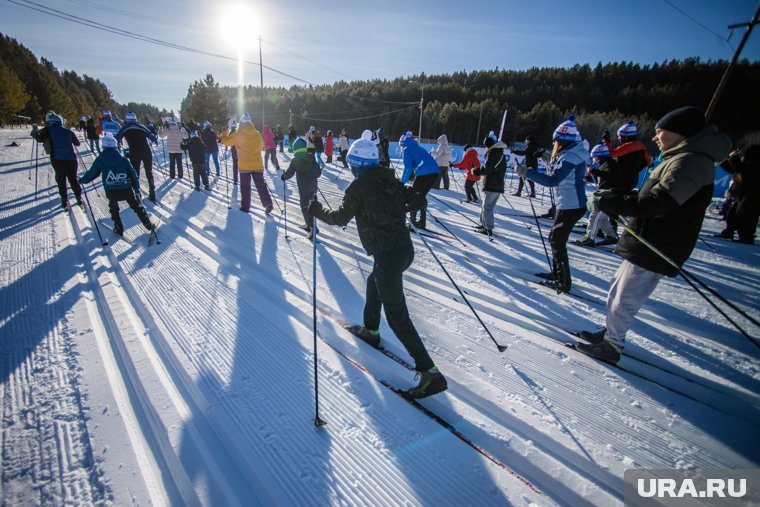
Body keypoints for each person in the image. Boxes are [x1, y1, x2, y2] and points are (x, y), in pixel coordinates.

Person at [577, 106, 731, 363]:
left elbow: (657, 203)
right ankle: (610, 333)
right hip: (648, 236)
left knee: (626, 295)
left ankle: (612, 345)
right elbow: (647, 197)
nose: (655, 137)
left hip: (659, 240)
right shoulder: (680, 158)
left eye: (661, 132)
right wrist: (615, 198)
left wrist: (613, 203)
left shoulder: (690, 162)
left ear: (679, 134)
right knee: (618, 289)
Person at [307, 130, 447, 399]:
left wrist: (315, 210)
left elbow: (338, 218)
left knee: (398, 317)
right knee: (374, 281)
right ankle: (370, 330)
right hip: (404, 250)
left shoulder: (357, 187)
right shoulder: (389, 179)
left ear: (356, 165)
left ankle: (430, 373)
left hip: (388, 255)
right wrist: (407, 200)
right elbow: (415, 199)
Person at [516, 115, 588, 293]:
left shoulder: (570, 156)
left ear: (562, 141)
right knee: (554, 239)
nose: (554, 144)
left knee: (557, 240)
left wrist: (527, 172)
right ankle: (557, 274)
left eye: (555, 141)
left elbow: (553, 180)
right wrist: (546, 157)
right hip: (566, 203)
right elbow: (557, 168)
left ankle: (563, 281)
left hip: (571, 205)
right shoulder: (569, 153)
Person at [78, 133, 154, 236]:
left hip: (111, 190)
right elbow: (133, 174)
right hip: (126, 189)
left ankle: (119, 228)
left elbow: (92, 173)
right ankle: (148, 224)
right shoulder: (123, 160)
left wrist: (82, 180)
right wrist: (136, 188)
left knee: (114, 208)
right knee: (136, 206)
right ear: (115, 146)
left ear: (103, 146)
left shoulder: (100, 160)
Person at [221, 112, 272, 213]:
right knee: (261, 185)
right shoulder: (257, 134)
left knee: (245, 186)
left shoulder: (238, 134)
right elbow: (262, 146)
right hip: (257, 164)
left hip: (245, 166)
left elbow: (226, 142)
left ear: (241, 122)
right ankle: (268, 203)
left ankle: (245, 207)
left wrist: (225, 133)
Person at [31, 112, 83, 209]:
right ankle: (79, 198)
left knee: (61, 179)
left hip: (57, 158)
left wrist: (34, 131)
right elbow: (77, 143)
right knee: (73, 178)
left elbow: (39, 138)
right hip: (71, 158)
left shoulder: (48, 130)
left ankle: (64, 200)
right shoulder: (69, 131)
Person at [575, 143, 619, 246]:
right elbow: (603, 178)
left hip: (609, 196)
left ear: (600, 156)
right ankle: (611, 236)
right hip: (606, 195)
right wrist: (589, 178)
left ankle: (590, 237)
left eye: (595, 157)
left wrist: (594, 172)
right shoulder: (606, 164)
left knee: (594, 216)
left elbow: (609, 176)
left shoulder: (610, 165)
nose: (594, 159)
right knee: (602, 217)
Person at [715, 145, 760, 244]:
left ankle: (746, 237)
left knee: (746, 215)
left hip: (753, 195)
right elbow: (734, 169)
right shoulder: (746, 164)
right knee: (732, 213)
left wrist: (733, 158)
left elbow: (740, 169)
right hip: (744, 193)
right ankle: (728, 231)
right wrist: (724, 160)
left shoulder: (754, 165)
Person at [281, 137, 321, 237]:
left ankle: (312, 228)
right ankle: (310, 225)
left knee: (304, 207)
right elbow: (318, 173)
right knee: (312, 206)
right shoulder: (311, 158)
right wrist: (313, 175)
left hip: (304, 189)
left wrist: (284, 177)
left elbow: (290, 173)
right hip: (313, 187)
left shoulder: (295, 161)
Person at [115, 111, 159, 202]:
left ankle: (137, 193)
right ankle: (152, 193)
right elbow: (152, 137)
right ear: (135, 119)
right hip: (146, 151)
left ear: (127, 120)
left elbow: (117, 139)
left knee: (135, 174)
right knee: (149, 172)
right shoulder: (142, 127)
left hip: (134, 153)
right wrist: (155, 140)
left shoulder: (125, 128)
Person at [399, 132, 440, 229]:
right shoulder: (418, 147)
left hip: (424, 173)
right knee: (421, 197)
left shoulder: (406, 149)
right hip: (435, 172)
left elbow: (408, 167)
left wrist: (402, 182)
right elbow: (414, 165)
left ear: (402, 144)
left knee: (414, 197)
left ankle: (412, 223)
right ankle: (422, 222)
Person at [472, 131, 507, 236]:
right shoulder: (498, 152)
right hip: (494, 184)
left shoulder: (494, 153)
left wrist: (476, 171)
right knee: (485, 206)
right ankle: (484, 224)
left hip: (493, 185)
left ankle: (488, 228)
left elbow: (488, 168)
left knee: (487, 207)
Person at [227, 118, 240, 184]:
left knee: (235, 166)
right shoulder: (238, 132)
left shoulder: (231, 133)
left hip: (234, 152)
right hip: (240, 152)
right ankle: (242, 178)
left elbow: (228, 142)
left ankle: (235, 180)